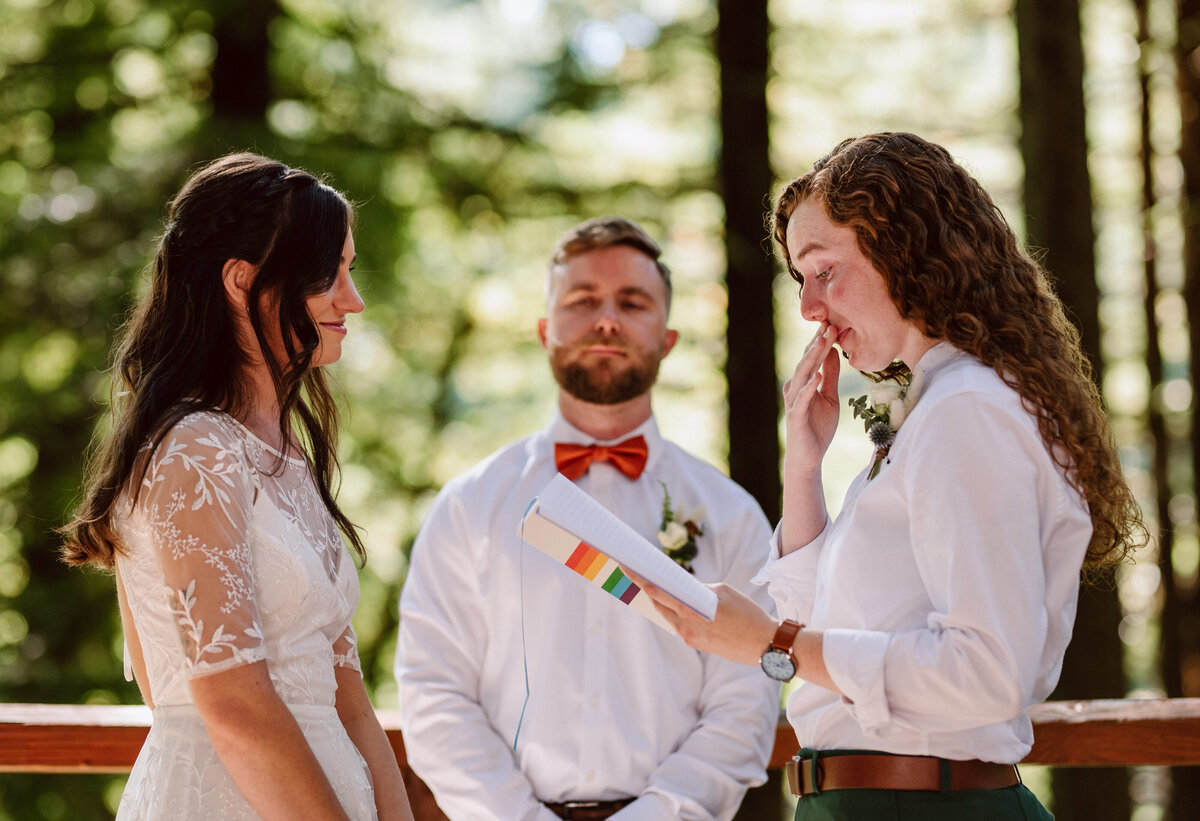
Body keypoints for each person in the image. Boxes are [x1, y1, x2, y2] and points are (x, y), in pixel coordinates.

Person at [640, 132, 1148, 820]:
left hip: (918, 805)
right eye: (800, 279)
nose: (809, 309)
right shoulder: (936, 405)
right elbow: (824, 622)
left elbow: (984, 673)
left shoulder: (967, 409)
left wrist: (770, 642)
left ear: (906, 247)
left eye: (825, 271)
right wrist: (804, 464)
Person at [60, 153, 414, 821]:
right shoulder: (191, 449)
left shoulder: (287, 462)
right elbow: (231, 704)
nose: (353, 299)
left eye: (351, 271)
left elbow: (351, 703)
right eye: (326, 276)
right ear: (241, 280)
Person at [395, 217, 780, 821]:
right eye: (582, 300)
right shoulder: (469, 505)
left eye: (632, 302)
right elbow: (433, 691)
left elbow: (744, 705)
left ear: (668, 338)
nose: (607, 319)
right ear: (546, 331)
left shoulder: (731, 515)